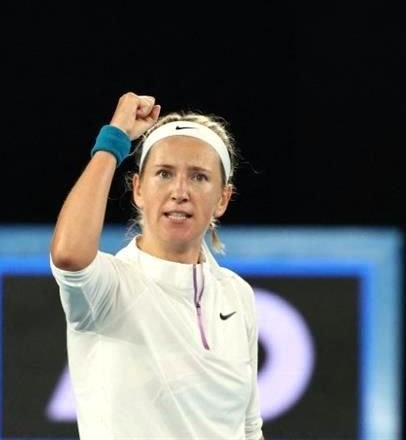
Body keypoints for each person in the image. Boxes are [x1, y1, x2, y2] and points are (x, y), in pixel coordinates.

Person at [50, 92, 264, 439]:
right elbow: (69, 255)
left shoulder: (237, 295)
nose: (180, 191)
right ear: (137, 189)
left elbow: (249, 427)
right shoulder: (109, 287)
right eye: (164, 174)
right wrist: (113, 140)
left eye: (199, 177)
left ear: (222, 198)